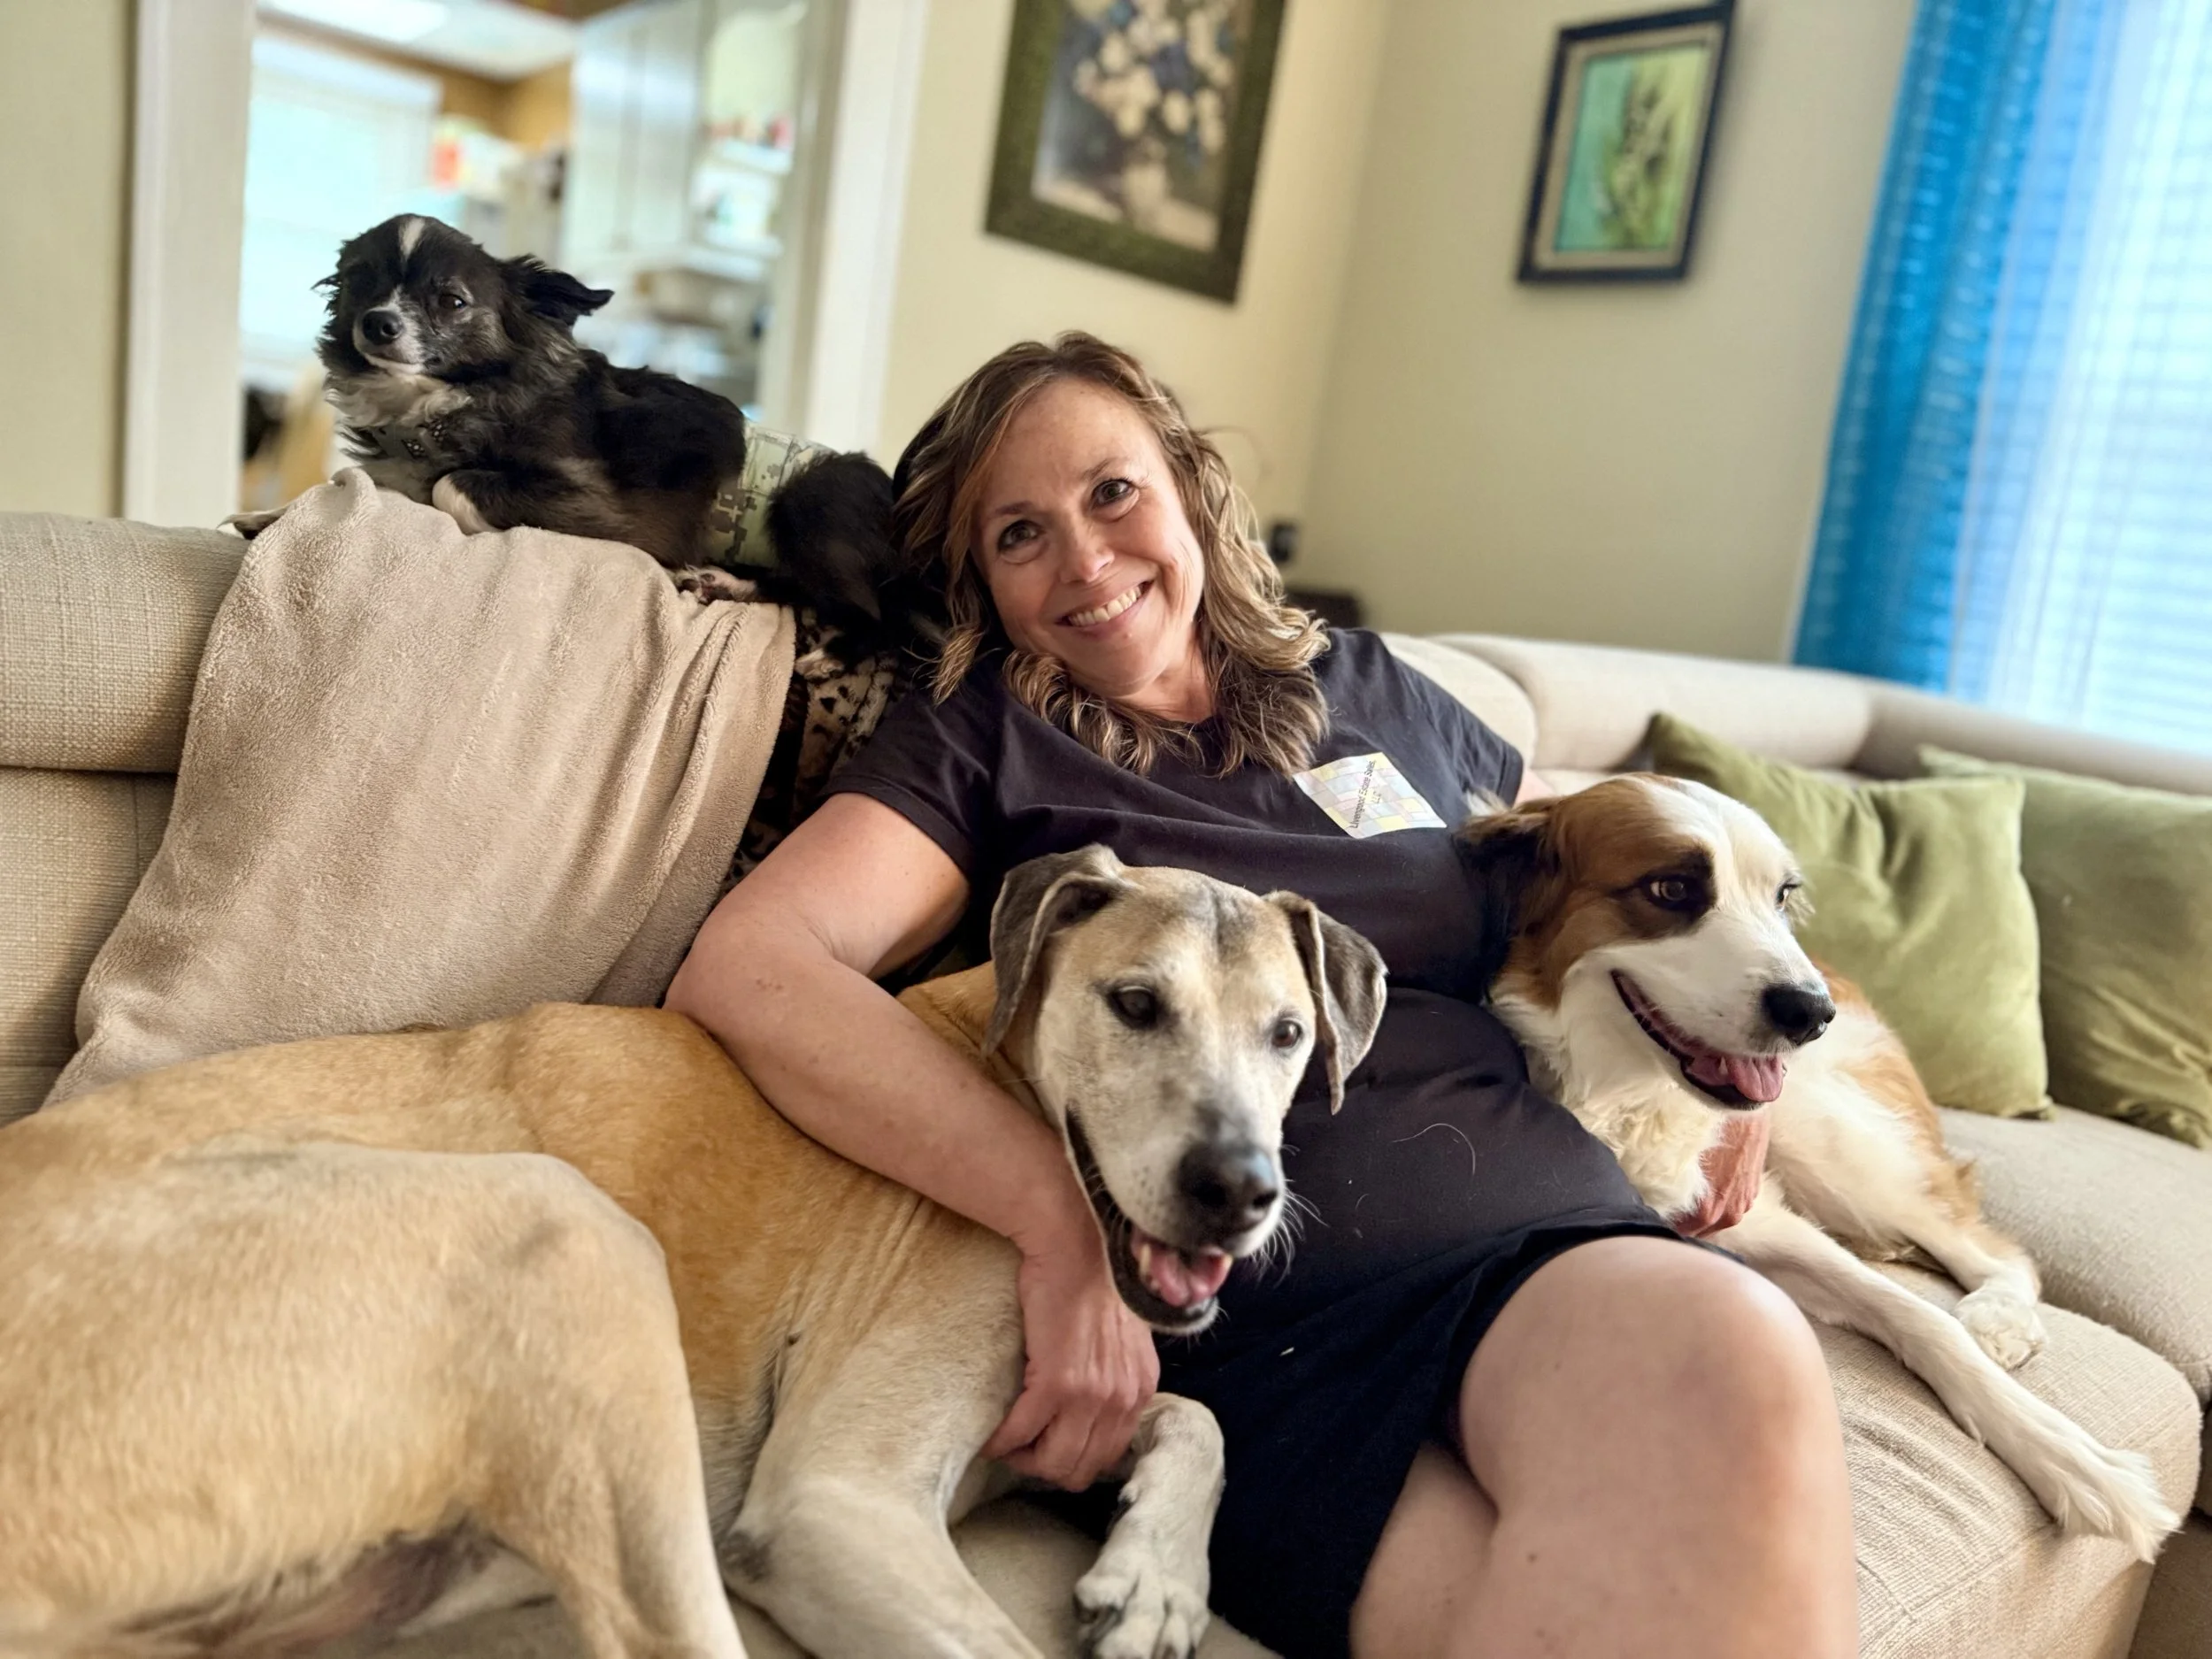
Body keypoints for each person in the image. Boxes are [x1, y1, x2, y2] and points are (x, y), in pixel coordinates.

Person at [665, 334, 1857, 1659]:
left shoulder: (1377, 692)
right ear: (980, 583)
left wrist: (1717, 1046)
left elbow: (1588, 890)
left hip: (1525, 1251)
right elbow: (755, 965)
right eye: (1020, 534)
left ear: (1187, 487)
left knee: (1736, 1376)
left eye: (1112, 492)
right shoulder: (982, 739)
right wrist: (1056, 1225)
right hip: (1249, 1332)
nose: (1086, 560)